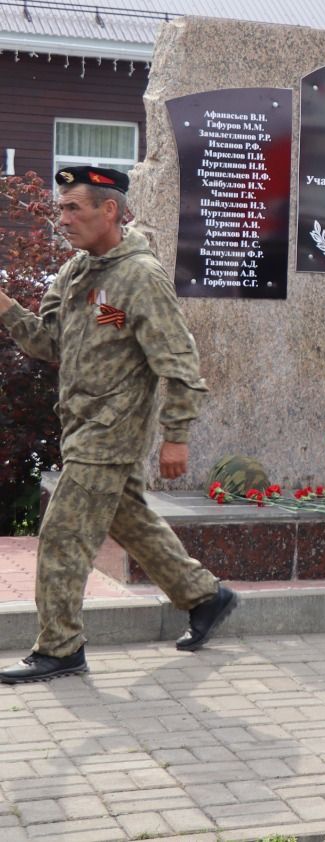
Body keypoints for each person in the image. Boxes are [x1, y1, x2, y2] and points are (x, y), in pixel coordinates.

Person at [0, 165, 236, 684]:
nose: (62, 219)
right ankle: (205, 596)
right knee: (128, 519)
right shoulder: (77, 272)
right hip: (80, 423)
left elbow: (178, 361)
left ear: (109, 210)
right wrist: (7, 308)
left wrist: (176, 437)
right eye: (60, 208)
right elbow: (50, 343)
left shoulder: (141, 276)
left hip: (113, 430)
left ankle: (60, 648)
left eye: (73, 208)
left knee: (63, 535)